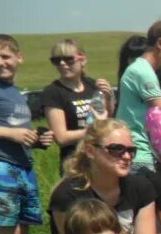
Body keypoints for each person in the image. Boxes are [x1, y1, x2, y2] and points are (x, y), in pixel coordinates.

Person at [48, 120, 156, 234]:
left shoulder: (141, 187)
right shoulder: (67, 195)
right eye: (116, 149)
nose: (126, 156)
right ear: (91, 151)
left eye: (130, 150)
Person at [0, 33, 55, 234]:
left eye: (5, 56)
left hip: (23, 166)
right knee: (8, 231)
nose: (0, 62)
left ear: (19, 58)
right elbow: (10, 131)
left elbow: (20, 132)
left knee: (22, 233)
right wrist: (12, 134)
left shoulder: (15, 92)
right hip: (1, 166)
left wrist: (38, 140)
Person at [115, 19, 161, 179]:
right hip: (140, 154)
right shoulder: (142, 72)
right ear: (160, 43)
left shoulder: (143, 70)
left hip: (142, 152)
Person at [42, 38, 115, 171]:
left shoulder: (92, 85)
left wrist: (108, 97)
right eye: (56, 60)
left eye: (68, 59)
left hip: (99, 158)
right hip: (74, 162)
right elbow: (61, 137)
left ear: (83, 60)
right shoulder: (53, 92)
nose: (63, 64)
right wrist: (93, 131)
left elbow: (108, 118)